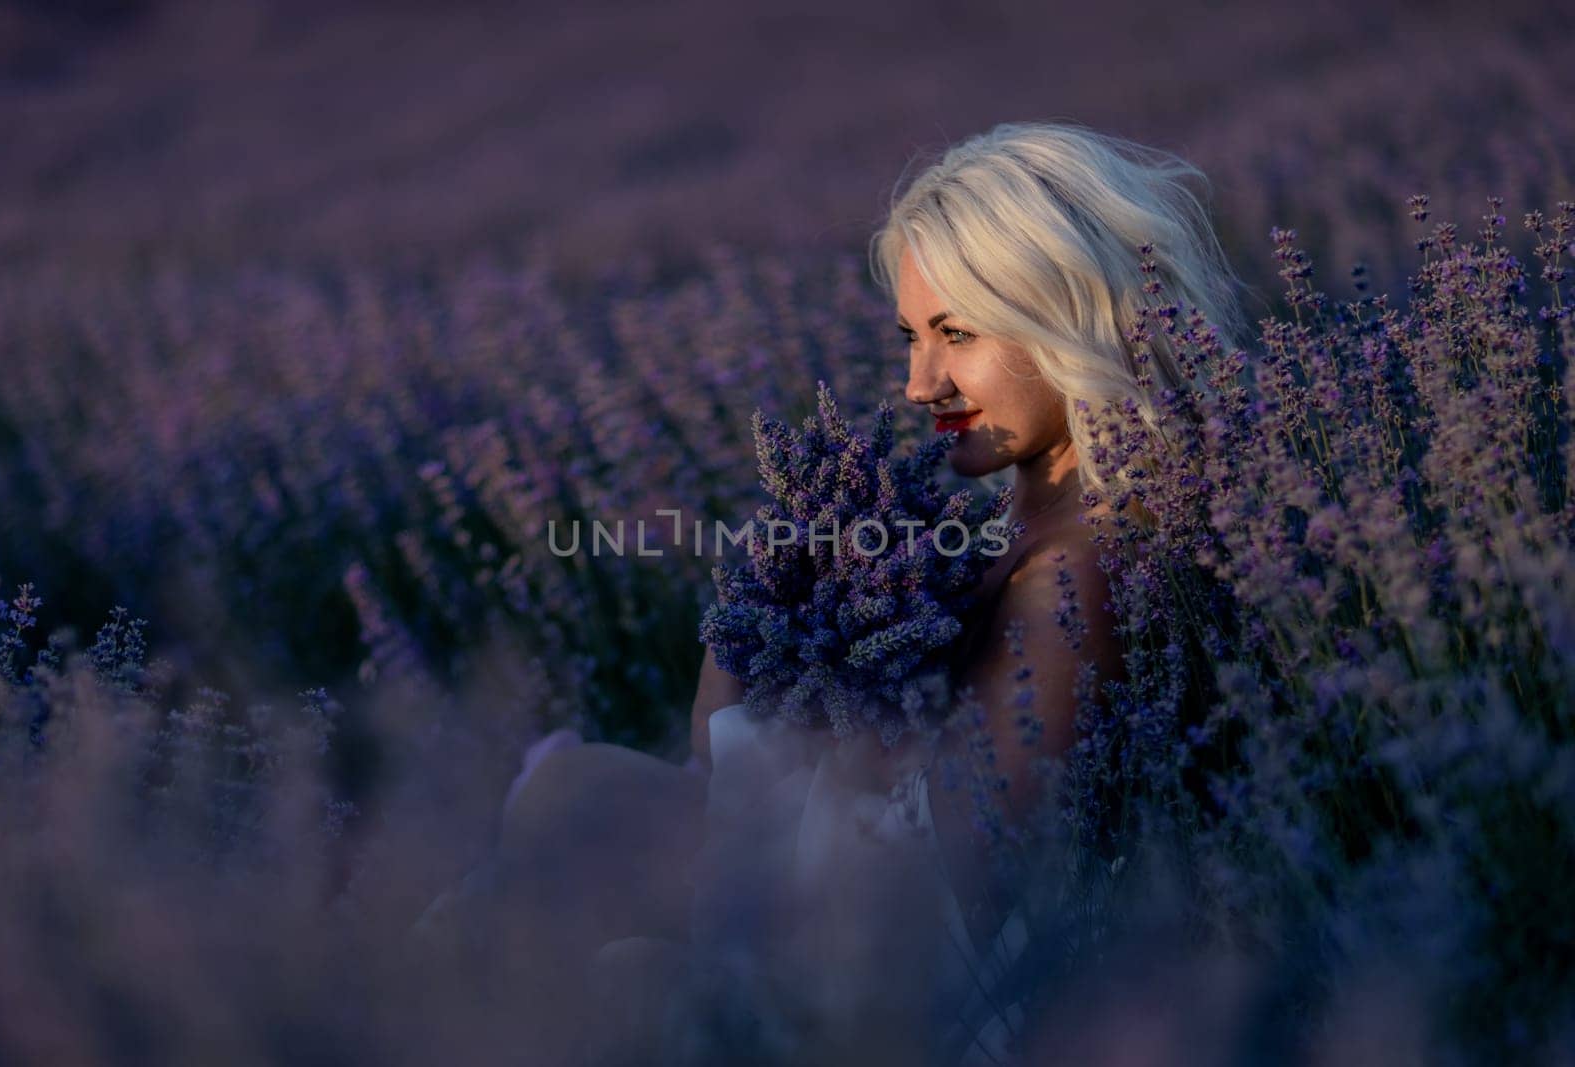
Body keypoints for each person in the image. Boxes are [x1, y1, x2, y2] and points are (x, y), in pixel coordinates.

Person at [423, 120, 1249, 1066]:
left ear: (1068, 313)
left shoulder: (1081, 567)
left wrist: (749, 670)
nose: (917, 381)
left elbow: (943, 879)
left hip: (934, 999)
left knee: (614, 961)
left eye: (957, 334)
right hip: (841, 911)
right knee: (568, 794)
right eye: (910, 336)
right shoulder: (1019, 524)